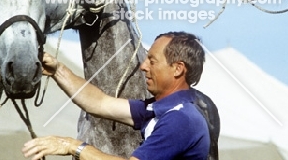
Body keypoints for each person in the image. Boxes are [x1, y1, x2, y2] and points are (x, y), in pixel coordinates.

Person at [22, 31, 210, 160]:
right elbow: (99, 103)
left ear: (178, 69)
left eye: (152, 61)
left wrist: (74, 146)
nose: (143, 66)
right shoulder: (160, 109)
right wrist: (58, 70)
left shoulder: (181, 119)